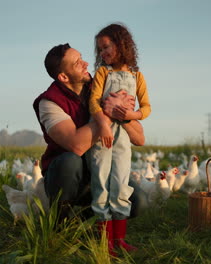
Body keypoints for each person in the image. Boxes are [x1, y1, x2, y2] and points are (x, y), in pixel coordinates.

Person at [32, 44, 147, 226]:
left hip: (100, 168)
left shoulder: (100, 86)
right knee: (70, 161)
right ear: (63, 76)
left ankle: (88, 226)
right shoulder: (49, 102)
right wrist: (109, 112)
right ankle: (59, 222)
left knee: (138, 201)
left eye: (82, 58)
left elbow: (139, 139)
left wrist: (122, 113)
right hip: (68, 178)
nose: (86, 64)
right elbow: (76, 145)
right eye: (77, 63)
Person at [88, 23, 151, 253]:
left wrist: (131, 115)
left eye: (106, 47)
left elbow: (146, 107)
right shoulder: (103, 73)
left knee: (121, 183)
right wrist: (103, 125)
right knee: (102, 184)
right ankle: (106, 244)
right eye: (100, 50)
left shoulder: (138, 76)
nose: (103, 53)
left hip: (123, 137)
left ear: (121, 44)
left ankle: (119, 240)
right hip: (102, 137)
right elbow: (94, 101)